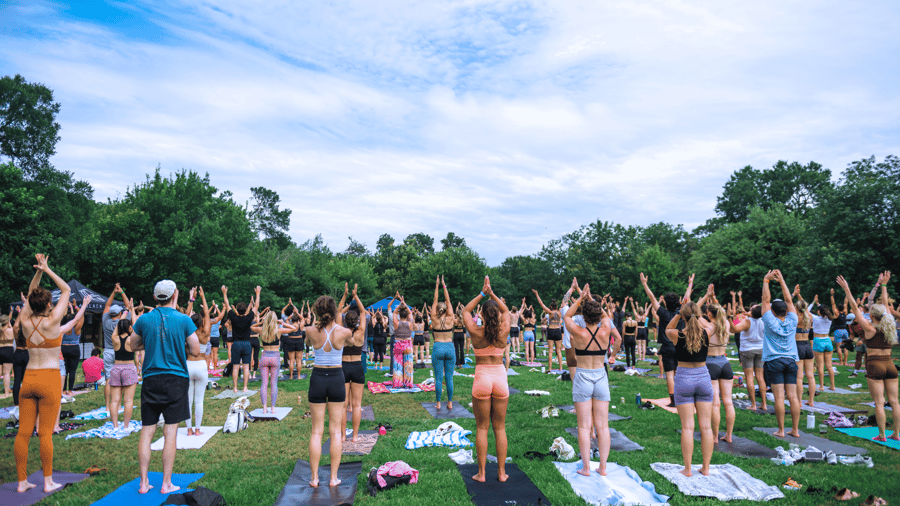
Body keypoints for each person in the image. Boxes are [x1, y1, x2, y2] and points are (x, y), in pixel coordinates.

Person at [126, 279, 200, 495]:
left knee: (147, 431)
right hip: (175, 379)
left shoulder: (144, 319)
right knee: (170, 432)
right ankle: (166, 483)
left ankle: (143, 482)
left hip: (151, 378)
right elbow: (195, 350)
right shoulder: (184, 319)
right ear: (175, 295)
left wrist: (150, 343)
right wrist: (179, 344)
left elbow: (133, 345)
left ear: (155, 297)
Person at [14, 254, 71, 494]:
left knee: (23, 432)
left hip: (28, 379)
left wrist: (38, 272)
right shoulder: (54, 321)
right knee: (45, 432)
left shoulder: (25, 321)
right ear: (49, 305)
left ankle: (21, 482)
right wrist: (47, 269)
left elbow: (30, 294)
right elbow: (66, 289)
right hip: (48, 378)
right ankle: (47, 481)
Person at [838, 272, 899, 442]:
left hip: (875, 365)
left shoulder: (870, 328)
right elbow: (886, 306)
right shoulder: (890, 326)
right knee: (894, 401)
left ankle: (881, 435)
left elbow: (855, 308)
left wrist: (847, 289)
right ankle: (896, 434)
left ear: (872, 315)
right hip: (890, 365)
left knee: (879, 402)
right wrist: (884, 286)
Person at [465, 276, 510, 482]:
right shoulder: (504, 330)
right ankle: (501, 473)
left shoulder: (475, 331)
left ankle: (482, 474)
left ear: (481, 314)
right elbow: (507, 311)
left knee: (482, 427)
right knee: (499, 427)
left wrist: (483, 293)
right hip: (499, 376)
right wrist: (492, 294)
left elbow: (465, 311)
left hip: (482, 377)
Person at [564, 285, 612, 476]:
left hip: (583, 376)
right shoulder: (605, 329)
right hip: (600, 376)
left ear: (583, 316)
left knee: (584, 426)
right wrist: (592, 300)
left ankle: (586, 467)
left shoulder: (578, 332)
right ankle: (603, 467)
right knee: (603, 426)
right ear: (599, 314)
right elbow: (605, 316)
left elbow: (567, 316)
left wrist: (580, 299)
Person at [306, 295, 352, 487]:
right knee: (335, 432)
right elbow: (350, 343)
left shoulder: (309, 330)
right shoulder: (344, 332)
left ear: (316, 312)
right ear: (335, 312)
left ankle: (314, 478)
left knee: (316, 431)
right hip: (335, 379)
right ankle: (333, 478)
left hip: (317, 378)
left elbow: (309, 343)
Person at [666, 300, 714, 477]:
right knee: (706, 428)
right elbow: (712, 324)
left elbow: (666, 329)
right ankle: (706, 468)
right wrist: (698, 316)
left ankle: (687, 469)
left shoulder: (677, 334)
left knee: (687, 427)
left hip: (684, 377)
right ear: (699, 316)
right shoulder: (707, 332)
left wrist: (679, 313)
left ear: (683, 317)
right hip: (703, 376)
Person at [641, 272, 692, 408]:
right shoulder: (681, 313)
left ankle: (674, 401)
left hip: (667, 347)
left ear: (665, 303)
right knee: (680, 374)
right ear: (679, 303)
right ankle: (682, 398)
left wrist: (645, 284)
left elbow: (651, 298)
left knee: (669, 374)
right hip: (681, 346)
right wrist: (689, 284)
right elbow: (687, 298)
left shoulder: (662, 313)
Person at [760, 270, 801, 438]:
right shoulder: (793, 319)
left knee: (779, 397)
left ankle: (782, 430)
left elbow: (765, 300)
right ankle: (796, 430)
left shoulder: (770, 320)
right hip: (791, 361)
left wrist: (766, 281)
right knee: (792, 396)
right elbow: (789, 300)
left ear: (773, 311)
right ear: (785, 310)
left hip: (774, 361)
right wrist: (782, 281)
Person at [252, 305, 296, 414]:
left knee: (264, 384)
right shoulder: (279, 330)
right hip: (275, 357)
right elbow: (294, 329)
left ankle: (264, 408)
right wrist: (283, 323)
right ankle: (273, 408)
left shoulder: (262, 330)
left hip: (265, 356)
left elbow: (251, 328)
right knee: (274, 383)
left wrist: (262, 323)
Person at [337, 283, 367, 441]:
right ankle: (355, 436)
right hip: (356, 367)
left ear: (345, 320)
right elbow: (362, 311)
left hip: (343, 367)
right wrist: (355, 295)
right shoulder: (360, 332)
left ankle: (343, 436)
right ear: (356, 321)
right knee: (356, 405)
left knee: (343, 405)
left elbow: (337, 312)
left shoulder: (341, 332)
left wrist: (345, 295)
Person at [729, 291, 769, 413]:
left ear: (752, 312)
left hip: (747, 351)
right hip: (761, 349)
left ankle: (753, 404)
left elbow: (734, 329)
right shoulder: (764, 321)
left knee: (749, 378)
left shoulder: (747, 321)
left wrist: (730, 319)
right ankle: (764, 404)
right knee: (760, 377)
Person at [704, 302, 735, 443]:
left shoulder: (709, 326)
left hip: (711, 364)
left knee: (715, 403)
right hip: (725, 363)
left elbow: (694, 316)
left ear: (709, 314)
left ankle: (715, 437)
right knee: (728, 402)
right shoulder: (726, 325)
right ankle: (729, 435)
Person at [223, 285, 260, 393]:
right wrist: (258, 294)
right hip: (246, 344)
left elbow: (227, 304)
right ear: (245, 311)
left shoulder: (233, 317)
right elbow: (256, 306)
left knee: (235, 367)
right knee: (245, 367)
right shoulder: (249, 318)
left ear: (237, 311)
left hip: (236, 344)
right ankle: (244, 388)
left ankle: (235, 388)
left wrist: (225, 293)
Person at [185, 287, 211, 435]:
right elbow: (207, 314)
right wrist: (203, 297)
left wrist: (191, 299)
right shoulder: (205, 332)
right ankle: (197, 430)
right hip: (201, 365)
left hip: (188, 365)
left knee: (188, 400)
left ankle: (189, 429)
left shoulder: (187, 331)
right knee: (199, 400)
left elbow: (186, 316)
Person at [102, 284, 130, 412]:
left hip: (107, 351)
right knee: (121, 379)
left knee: (109, 379)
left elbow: (107, 306)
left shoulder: (105, 321)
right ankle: (118, 405)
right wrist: (122, 292)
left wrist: (113, 292)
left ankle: (108, 406)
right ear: (120, 313)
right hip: (120, 351)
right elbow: (128, 306)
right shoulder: (123, 322)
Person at [430, 276, 456, 410]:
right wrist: (444, 285)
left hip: (438, 346)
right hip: (450, 347)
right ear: (446, 309)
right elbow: (448, 300)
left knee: (439, 378)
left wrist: (437, 285)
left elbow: (435, 300)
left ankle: (439, 403)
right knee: (449, 378)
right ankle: (450, 402)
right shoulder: (451, 317)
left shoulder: (433, 318)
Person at [109, 317, 140, 429]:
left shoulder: (114, 338)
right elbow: (136, 329)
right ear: (129, 327)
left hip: (116, 368)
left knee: (114, 401)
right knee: (128, 400)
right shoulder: (132, 339)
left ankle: (115, 425)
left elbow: (115, 331)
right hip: (129, 368)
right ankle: (126, 425)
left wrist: (120, 322)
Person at [790, 289, 817, 406]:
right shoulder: (809, 316)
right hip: (807, 345)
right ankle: (811, 400)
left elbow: (786, 303)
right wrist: (799, 295)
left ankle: (799, 401)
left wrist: (793, 294)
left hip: (797, 345)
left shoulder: (795, 317)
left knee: (799, 377)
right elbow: (803, 305)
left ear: (796, 307)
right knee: (810, 376)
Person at [60, 301, 88, 397]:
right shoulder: (77, 327)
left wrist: (66, 306)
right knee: (72, 370)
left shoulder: (63, 328)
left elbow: (64, 316)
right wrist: (75, 307)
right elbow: (82, 316)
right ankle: (70, 390)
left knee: (65, 370)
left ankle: (63, 390)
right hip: (74, 349)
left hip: (63, 348)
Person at [532, 289, 564, 372]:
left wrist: (537, 295)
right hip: (557, 330)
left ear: (551, 306)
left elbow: (541, 304)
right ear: (556, 306)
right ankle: (560, 368)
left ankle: (550, 368)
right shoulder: (560, 312)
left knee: (550, 351)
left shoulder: (550, 313)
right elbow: (565, 302)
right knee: (559, 350)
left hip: (551, 330)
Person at [810, 295, 837, 392]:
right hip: (827, 341)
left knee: (820, 365)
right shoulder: (829, 318)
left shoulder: (816, 318)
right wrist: (819, 304)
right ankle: (832, 385)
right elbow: (824, 310)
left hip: (818, 340)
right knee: (829, 365)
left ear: (818, 311)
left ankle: (821, 386)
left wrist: (813, 302)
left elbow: (806, 310)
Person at [391, 294, 415, 388]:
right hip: (408, 344)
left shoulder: (396, 323)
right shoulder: (410, 323)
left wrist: (399, 305)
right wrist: (404, 304)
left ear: (399, 315)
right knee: (408, 364)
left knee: (397, 364)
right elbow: (410, 313)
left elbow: (394, 313)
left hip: (398, 344)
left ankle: (397, 383)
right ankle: (408, 383)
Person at [630, 298, 650, 362]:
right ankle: (643, 357)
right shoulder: (644, 316)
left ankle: (640, 357)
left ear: (638, 311)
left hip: (638, 329)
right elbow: (648, 309)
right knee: (644, 344)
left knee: (639, 344)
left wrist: (632, 302)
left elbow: (633, 309)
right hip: (644, 329)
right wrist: (651, 304)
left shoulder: (637, 316)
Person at [1, 312, 16, 396]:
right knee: (6, 373)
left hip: (0, 349)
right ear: (8, 322)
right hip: (8, 350)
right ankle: (7, 393)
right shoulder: (11, 330)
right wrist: (10, 325)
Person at [621, 304, 638, 370]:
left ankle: (628, 366)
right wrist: (635, 337)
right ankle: (633, 366)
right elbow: (636, 331)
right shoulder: (635, 322)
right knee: (633, 353)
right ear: (631, 316)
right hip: (633, 336)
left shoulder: (625, 322)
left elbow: (623, 331)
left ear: (626, 316)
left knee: (627, 353)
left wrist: (623, 338)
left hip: (627, 337)